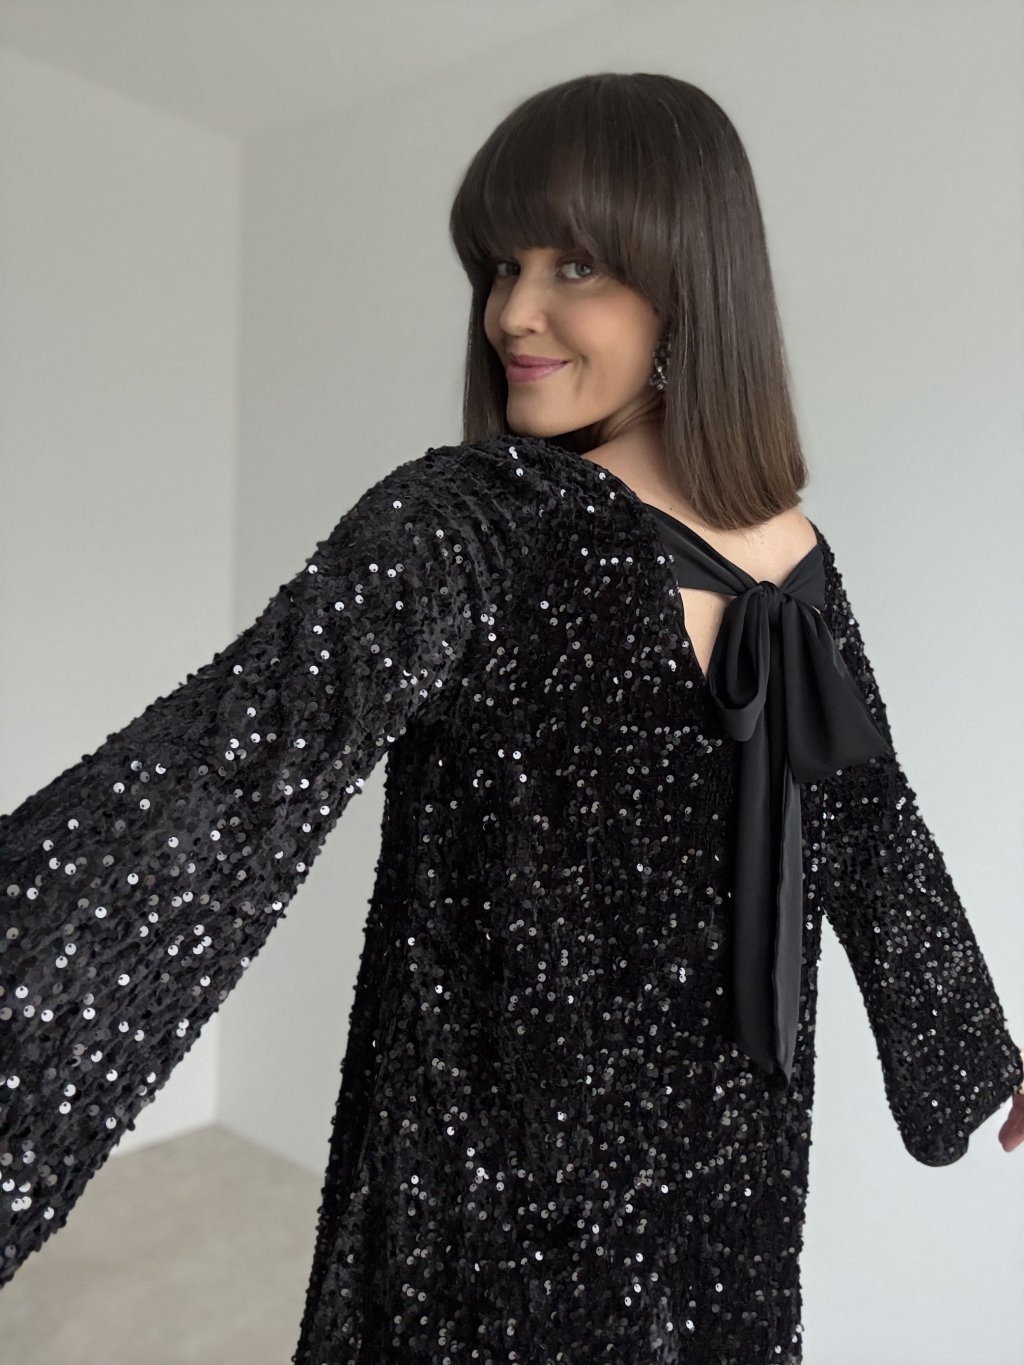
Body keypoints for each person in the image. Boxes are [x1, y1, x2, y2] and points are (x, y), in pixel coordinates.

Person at [1, 71, 1021, 1365]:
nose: (512, 313)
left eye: (574, 264)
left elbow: (867, 819)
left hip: (728, 1166)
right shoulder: (469, 524)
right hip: (486, 1193)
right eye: (500, 266)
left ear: (691, 281)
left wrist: (985, 1053)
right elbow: (223, 780)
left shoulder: (794, 557)